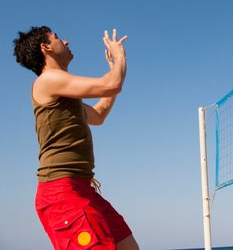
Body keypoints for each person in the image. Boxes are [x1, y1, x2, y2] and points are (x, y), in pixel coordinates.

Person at [13, 26, 139, 250]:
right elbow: (111, 85)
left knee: (128, 246)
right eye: (57, 37)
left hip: (82, 189)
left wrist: (117, 68)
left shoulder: (65, 95)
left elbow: (98, 115)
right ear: (46, 47)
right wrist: (119, 57)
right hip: (62, 193)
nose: (66, 41)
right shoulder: (48, 79)